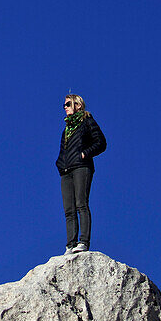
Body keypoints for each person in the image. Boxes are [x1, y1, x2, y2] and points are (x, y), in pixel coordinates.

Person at [56, 92, 107, 255]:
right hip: (66, 170)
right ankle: (70, 244)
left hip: (81, 167)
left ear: (78, 105)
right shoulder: (67, 129)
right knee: (68, 209)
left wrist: (84, 154)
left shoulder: (87, 121)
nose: (65, 107)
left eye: (68, 104)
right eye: (64, 105)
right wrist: (59, 162)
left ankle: (83, 241)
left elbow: (101, 142)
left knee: (81, 204)